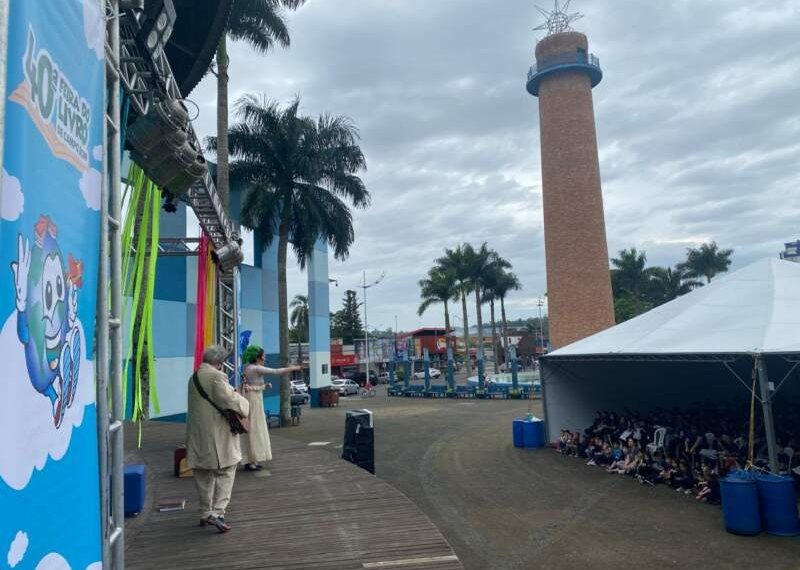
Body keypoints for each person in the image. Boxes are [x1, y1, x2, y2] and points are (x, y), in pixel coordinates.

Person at [186, 345, 250, 533]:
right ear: (219, 362)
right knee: (227, 469)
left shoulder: (194, 377)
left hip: (196, 433)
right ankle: (218, 512)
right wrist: (244, 402)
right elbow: (230, 400)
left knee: (203, 473)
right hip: (216, 434)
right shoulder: (217, 377)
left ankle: (205, 512)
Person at [240, 345, 301, 471]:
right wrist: (294, 368)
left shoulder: (249, 368)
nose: (265, 357)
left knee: (253, 428)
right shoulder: (256, 368)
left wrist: (264, 385)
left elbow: (251, 386)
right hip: (254, 400)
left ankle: (252, 459)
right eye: (263, 355)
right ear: (257, 357)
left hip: (252, 398)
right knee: (255, 428)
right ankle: (252, 460)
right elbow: (275, 372)